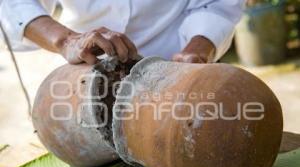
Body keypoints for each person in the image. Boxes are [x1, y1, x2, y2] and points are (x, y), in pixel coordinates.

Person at [0, 0, 245, 65]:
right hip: (84, 71)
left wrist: (199, 49)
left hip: (179, 68)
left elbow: (217, 4)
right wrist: (67, 41)